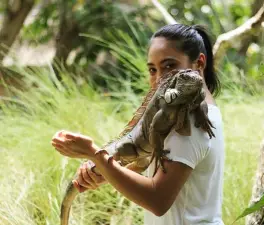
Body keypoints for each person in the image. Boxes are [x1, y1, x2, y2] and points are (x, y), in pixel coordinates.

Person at [52, 24, 225, 225]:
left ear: (199, 63)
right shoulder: (197, 110)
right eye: (153, 69)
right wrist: (105, 170)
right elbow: (150, 168)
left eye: (170, 66)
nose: (160, 78)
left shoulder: (190, 119)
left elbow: (157, 200)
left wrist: (94, 154)